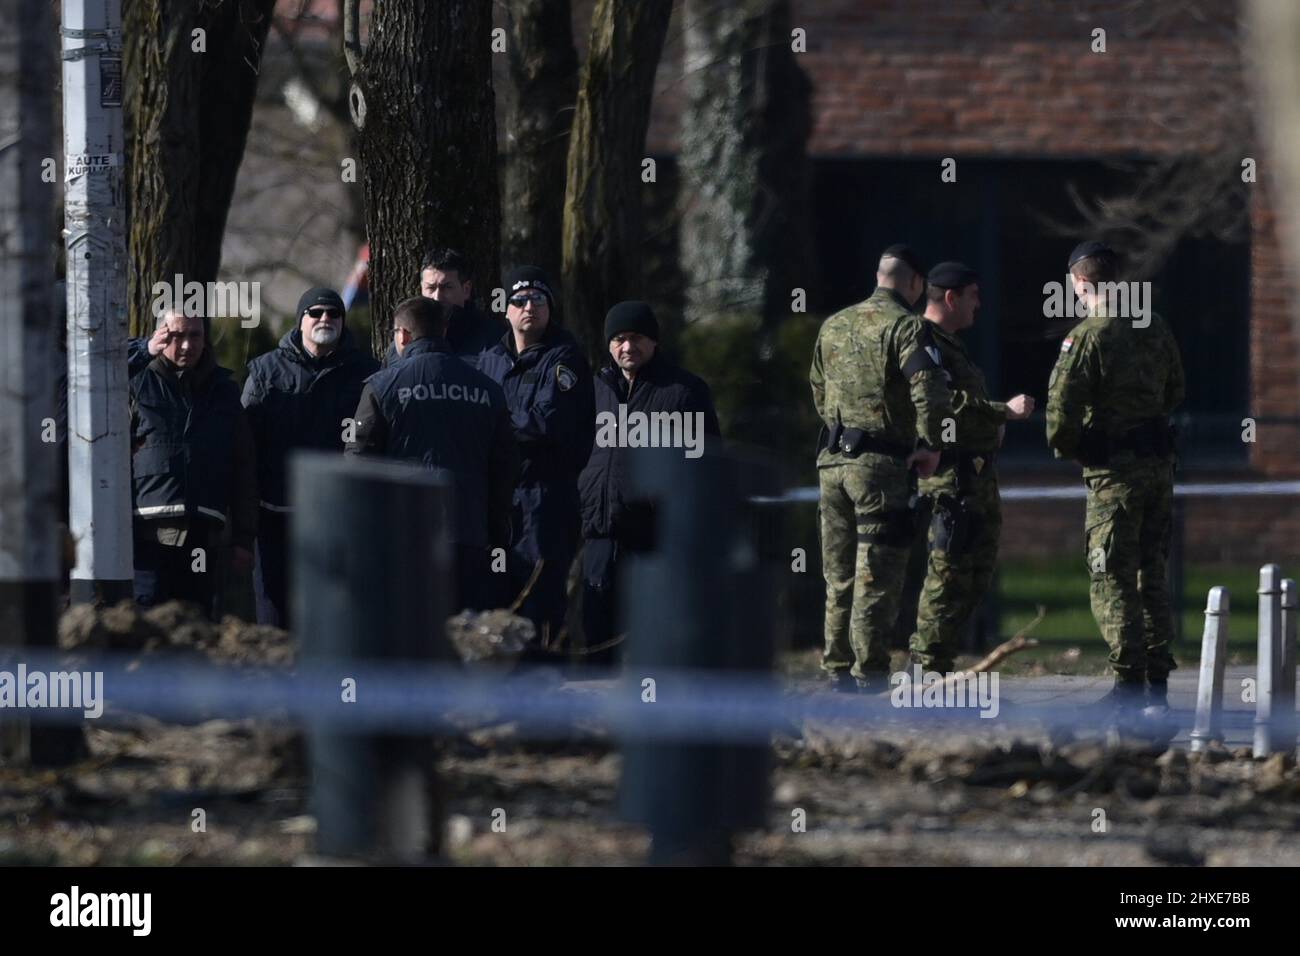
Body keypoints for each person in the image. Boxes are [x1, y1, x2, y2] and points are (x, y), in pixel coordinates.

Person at [1046, 240, 1184, 721]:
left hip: (1115, 477)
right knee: (1153, 574)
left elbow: (1059, 413)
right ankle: (1158, 686)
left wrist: (1076, 448)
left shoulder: (1088, 337)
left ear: (1082, 283)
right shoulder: (1154, 325)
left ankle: (1128, 687)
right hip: (1158, 470)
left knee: (1112, 578)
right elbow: (1176, 390)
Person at [810, 245, 954, 692]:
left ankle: (836, 672)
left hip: (832, 464)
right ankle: (869, 676)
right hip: (881, 468)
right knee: (875, 574)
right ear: (914, 283)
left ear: (879, 275)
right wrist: (931, 446)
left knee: (837, 576)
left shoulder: (833, 325)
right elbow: (928, 390)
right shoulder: (907, 327)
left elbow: (818, 389)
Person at [347, 296, 517, 612]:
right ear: (444, 331)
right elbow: (504, 468)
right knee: (461, 638)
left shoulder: (382, 386)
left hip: (403, 539)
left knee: (407, 639)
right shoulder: (488, 390)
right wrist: (495, 533)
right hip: (468, 535)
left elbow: (358, 465)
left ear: (403, 335)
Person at [908, 262, 1034, 674]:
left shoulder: (951, 344)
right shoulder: (924, 342)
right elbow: (943, 409)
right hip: (951, 483)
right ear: (951, 297)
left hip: (975, 479)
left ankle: (939, 670)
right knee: (947, 580)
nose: (979, 304)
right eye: (973, 295)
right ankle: (925, 673)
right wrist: (1002, 413)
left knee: (973, 579)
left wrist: (990, 426)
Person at [578, 301, 721, 665]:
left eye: (637, 338)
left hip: (654, 539)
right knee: (598, 641)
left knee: (655, 643)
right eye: (620, 339)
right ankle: (599, 718)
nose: (628, 347)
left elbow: (703, 466)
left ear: (654, 342)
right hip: (599, 534)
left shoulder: (684, 392)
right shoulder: (591, 391)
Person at [241, 287, 378, 627]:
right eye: (315, 313)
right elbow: (243, 443)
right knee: (273, 623)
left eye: (333, 313)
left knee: (331, 623)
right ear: (300, 320)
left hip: (338, 519)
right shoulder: (265, 372)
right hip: (275, 517)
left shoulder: (367, 373)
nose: (325, 319)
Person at [478, 266, 595, 651]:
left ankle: (544, 687)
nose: (530, 307)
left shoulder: (565, 359)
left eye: (539, 300)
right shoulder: (491, 359)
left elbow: (547, 424)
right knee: (499, 593)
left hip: (543, 497)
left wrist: (495, 426)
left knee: (540, 596)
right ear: (506, 309)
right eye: (521, 300)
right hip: (498, 497)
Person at [129, 310, 257, 615]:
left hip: (203, 539)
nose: (186, 345)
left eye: (194, 335)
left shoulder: (224, 391)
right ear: (160, 337)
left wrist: (243, 537)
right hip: (145, 539)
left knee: (195, 629)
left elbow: (243, 466)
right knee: (143, 631)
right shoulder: (134, 383)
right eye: (176, 336)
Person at [383, 248, 505, 369]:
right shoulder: (402, 343)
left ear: (466, 289)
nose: (437, 297)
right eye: (431, 288)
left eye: (447, 287)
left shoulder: (491, 340)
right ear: (421, 289)